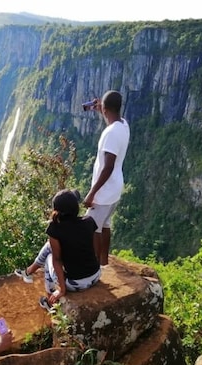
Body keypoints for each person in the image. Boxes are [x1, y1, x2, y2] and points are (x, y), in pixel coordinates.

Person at [15, 189, 101, 308]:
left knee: (50, 257)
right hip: (96, 275)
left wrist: (62, 290)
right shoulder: (89, 221)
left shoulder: (55, 229)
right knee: (50, 246)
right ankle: (29, 271)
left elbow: (57, 260)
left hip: (75, 284)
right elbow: (96, 247)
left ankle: (50, 301)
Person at [83, 90, 130, 266]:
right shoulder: (123, 125)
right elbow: (112, 122)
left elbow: (108, 166)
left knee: (92, 228)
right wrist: (100, 109)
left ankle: (94, 265)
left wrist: (92, 193)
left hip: (103, 191)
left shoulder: (110, 133)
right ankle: (104, 262)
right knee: (105, 224)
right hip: (115, 189)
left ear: (105, 109)